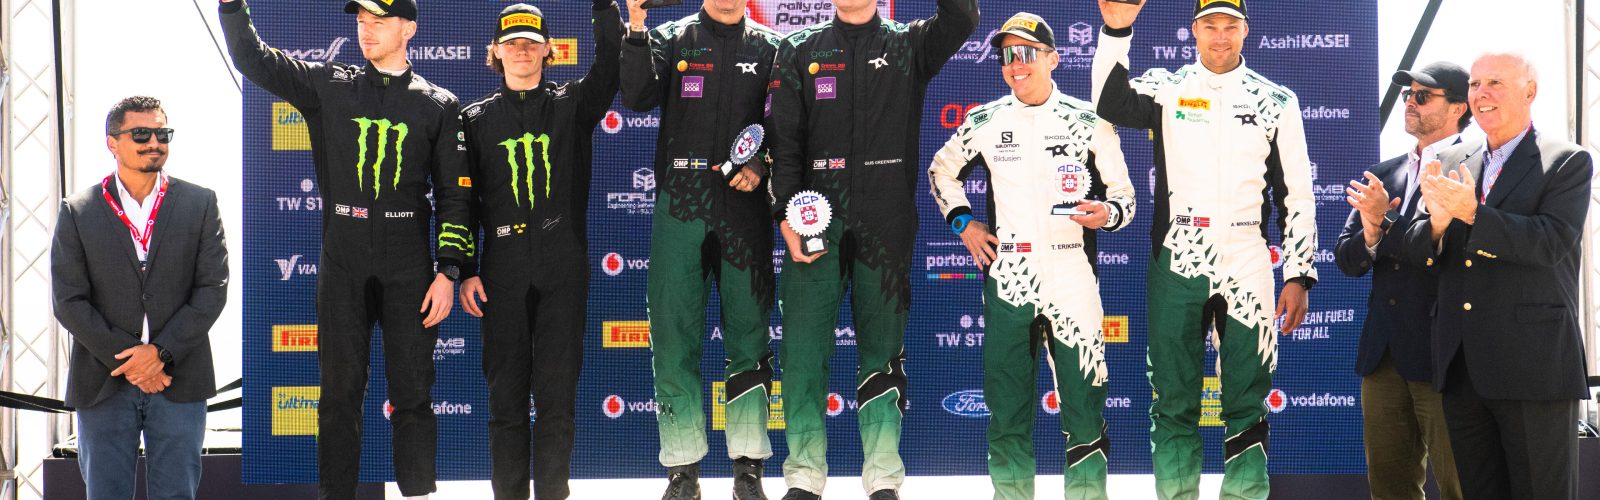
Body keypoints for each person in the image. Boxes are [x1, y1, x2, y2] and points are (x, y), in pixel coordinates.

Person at [218, 0, 474, 497]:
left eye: (379, 22)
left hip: (409, 262)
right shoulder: (329, 85)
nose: (366, 30)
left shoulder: (439, 104)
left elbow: (455, 196)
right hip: (343, 258)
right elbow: (253, 58)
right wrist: (232, 7)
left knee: (413, 393)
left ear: (408, 29)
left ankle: (417, 493)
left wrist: (448, 271)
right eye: (361, 22)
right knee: (338, 395)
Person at [1091, 1, 1317, 498]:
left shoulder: (1276, 100)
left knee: (1247, 398)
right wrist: (1115, 32)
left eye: (1230, 26)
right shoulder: (1167, 88)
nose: (1220, 37)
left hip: (1247, 258)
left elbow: (1297, 194)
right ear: (1194, 31)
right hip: (1179, 257)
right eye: (1210, 26)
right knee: (1173, 398)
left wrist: (1298, 273)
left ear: (1245, 31)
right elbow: (1107, 102)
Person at [765, 0, 977, 497]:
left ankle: (883, 477)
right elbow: (784, 142)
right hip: (815, 221)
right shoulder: (799, 49)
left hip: (886, 221)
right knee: (802, 351)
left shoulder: (909, 44)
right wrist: (785, 216)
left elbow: (962, 19)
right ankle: (803, 476)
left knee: (883, 349)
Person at [927, 14, 1134, 499]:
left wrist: (1106, 213)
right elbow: (941, 171)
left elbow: (1125, 198)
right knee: (1008, 410)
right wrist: (962, 222)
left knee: (1084, 406)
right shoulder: (985, 121)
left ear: (1053, 59)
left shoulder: (1090, 122)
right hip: (1010, 278)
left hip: (1072, 275)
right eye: (1007, 55)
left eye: (1026, 53)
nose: (1015, 64)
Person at [1404, 51, 1592, 500]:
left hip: (1534, 368)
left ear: (1530, 92)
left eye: (1495, 83)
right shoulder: (1450, 158)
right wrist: (1436, 226)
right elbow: (1417, 248)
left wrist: (1473, 214)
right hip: (1463, 368)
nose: (1481, 93)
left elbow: (1551, 243)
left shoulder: (1565, 161)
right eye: (1475, 84)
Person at [454, 3, 621, 499]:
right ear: (495, 51)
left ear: (549, 50)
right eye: (512, 43)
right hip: (500, 271)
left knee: (556, 401)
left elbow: (610, 65)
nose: (522, 50)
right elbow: (461, 202)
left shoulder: (573, 104)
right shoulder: (474, 119)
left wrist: (605, 9)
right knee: (505, 402)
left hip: (562, 267)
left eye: (531, 42)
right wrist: (465, 268)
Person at [617, 0, 781, 498]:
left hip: (744, 208)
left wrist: (763, 165)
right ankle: (682, 470)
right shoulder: (670, 38)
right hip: (680, 204)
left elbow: (788, 127)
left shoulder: (773, 48)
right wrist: (636, 28)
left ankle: (748, 468)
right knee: (673, 336)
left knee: (749, 336)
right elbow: (636, 95)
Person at [52, 96, 229, 500]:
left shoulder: (200, 203)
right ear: (112, 143)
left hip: (179, 379)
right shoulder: (78, 210)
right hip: (105, 381)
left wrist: (160, 354)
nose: (154, 142)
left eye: (162, 134)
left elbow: (213, 288)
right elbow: (68, 300)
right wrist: (133, 361)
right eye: (141, 134)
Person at [1334, 61, 1469, 500]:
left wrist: (1383, 221)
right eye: (1409, 94)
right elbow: (1347, 259)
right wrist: (1371, 232)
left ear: (1458, 108)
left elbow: (1440, 251)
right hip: (1384, 355)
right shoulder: (1385, 171)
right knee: (1389, 489)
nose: (1410, 102)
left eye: (1423, 96)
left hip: (1445, 357)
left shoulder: (1474, 167)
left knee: (1461, 485)